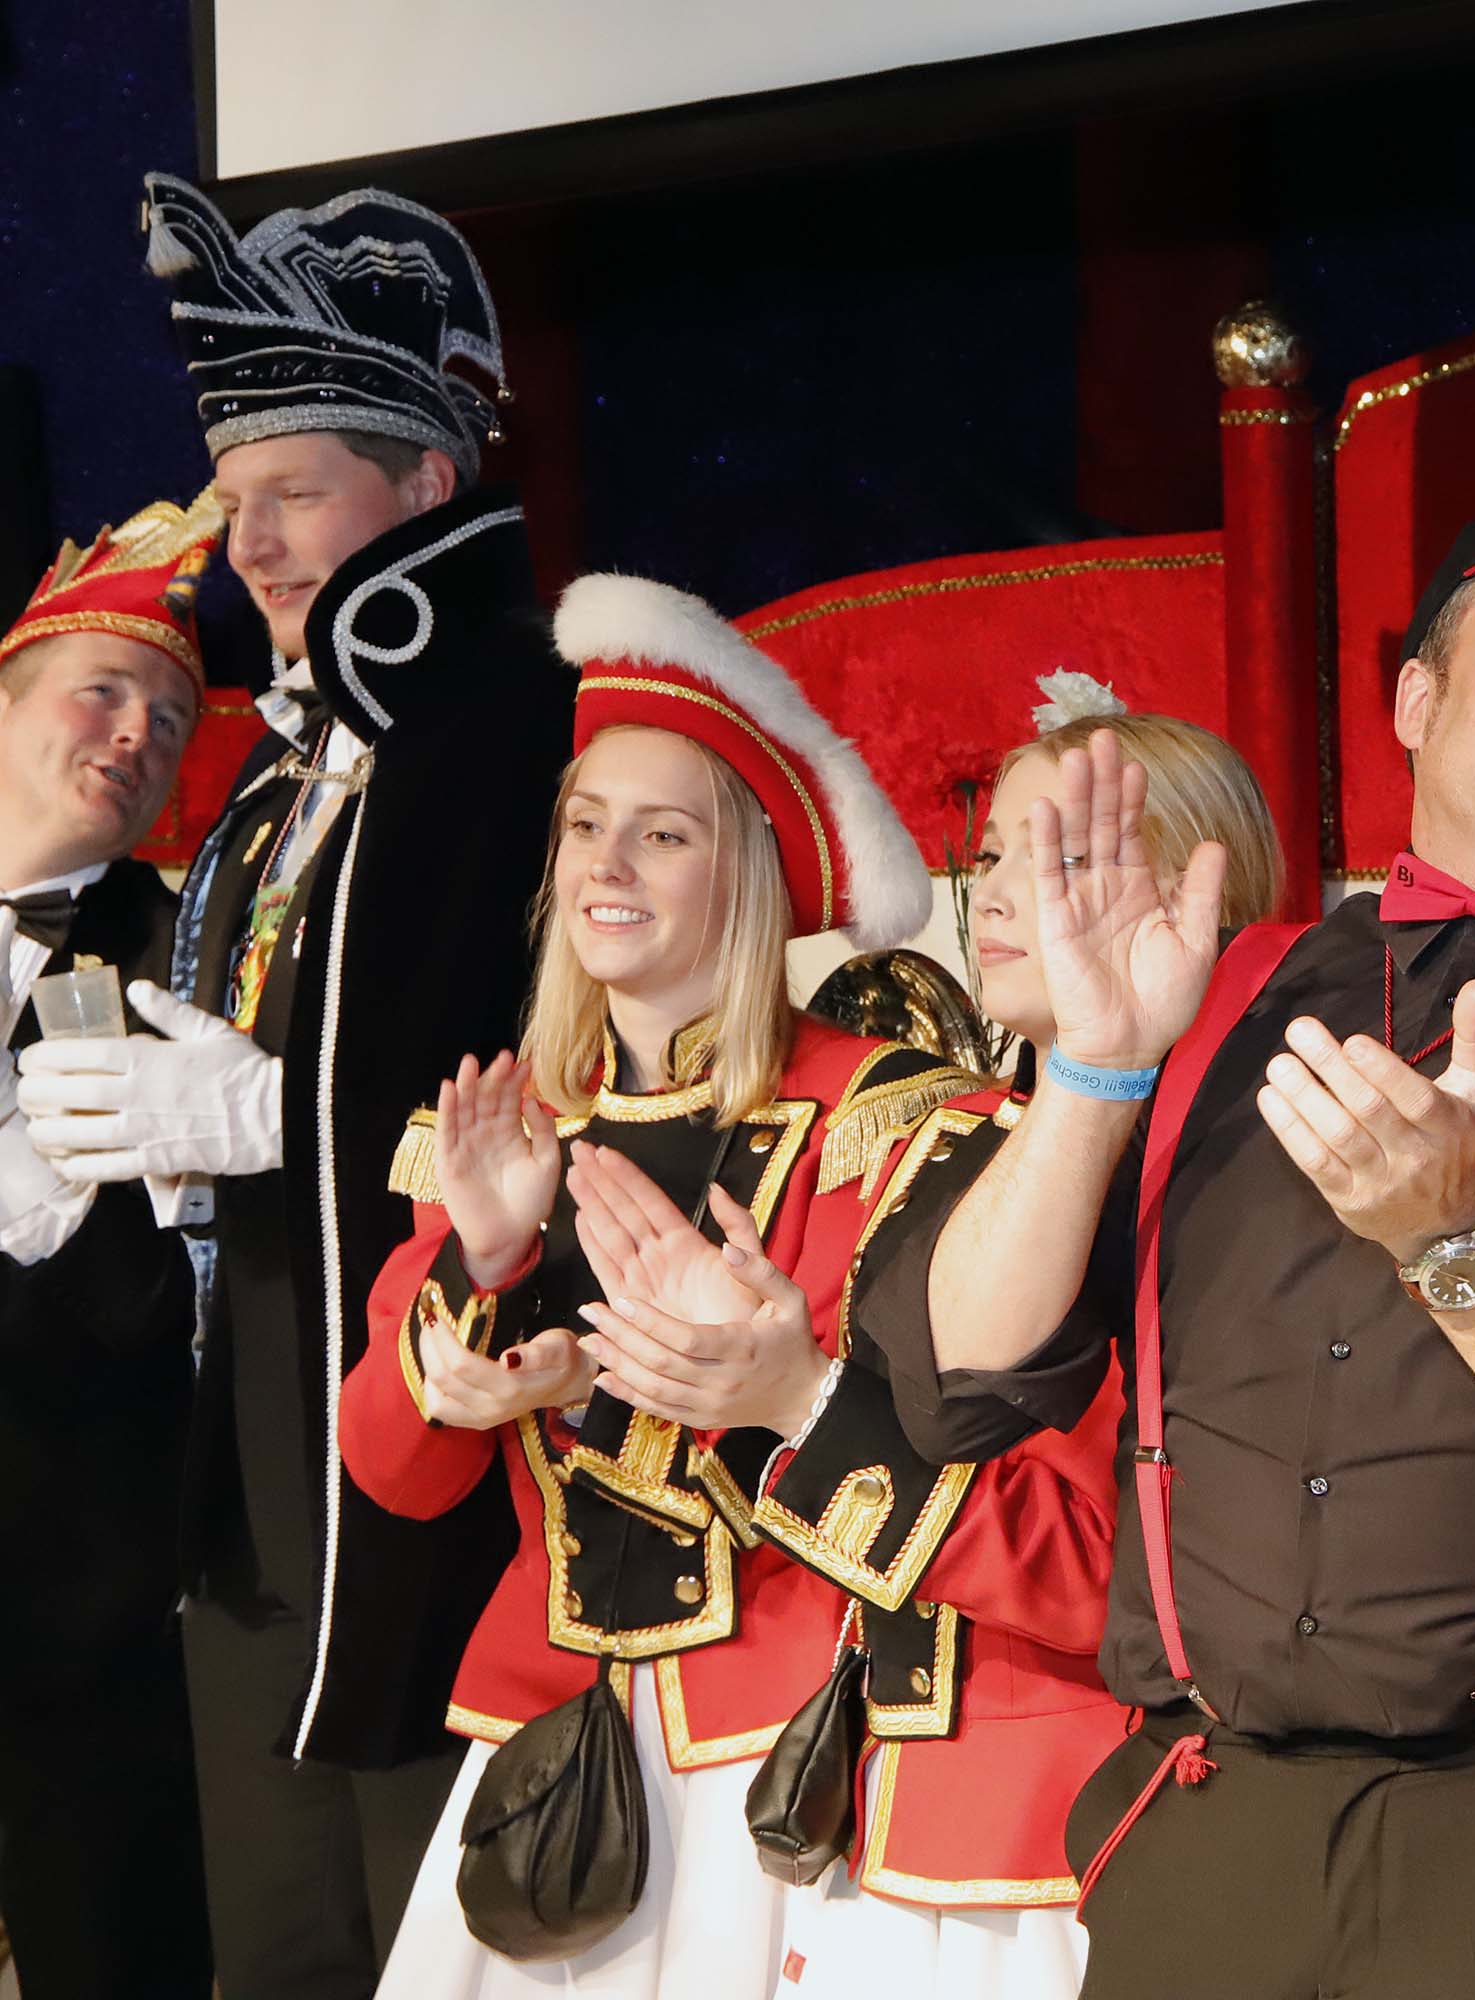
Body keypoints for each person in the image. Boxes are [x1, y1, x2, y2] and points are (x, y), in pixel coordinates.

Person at [847, 499, 1475, 1998]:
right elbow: (958, 1384)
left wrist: (1460, 1243)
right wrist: (1093, 1072)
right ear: (1415, 701)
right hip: (1202, 1844)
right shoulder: (1211, 995)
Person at [23, 173, 572, 1996]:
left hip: (427, 1461)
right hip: (255, 1465)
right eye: (232, 498)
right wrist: (170, 1162)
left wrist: (266, 1122)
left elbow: (547, 1070)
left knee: (426, 1939)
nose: (246, 546)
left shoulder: (504, 718)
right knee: (275, 1952)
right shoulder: (280, 775)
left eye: (294, 495)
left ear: (427, 486)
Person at [336, 573, 973, 1995]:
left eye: (663, 833)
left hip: (791, 1751)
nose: (606, 865)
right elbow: (390, 1475)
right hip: (552, 1751)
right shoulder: (502, 1123)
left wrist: (692, 1387)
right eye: (584, 824)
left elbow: (933, 1457)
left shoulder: (881, 1116)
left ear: (746, 872)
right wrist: (482, 1273)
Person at [741, 681, 1282, 1999]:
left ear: (1192, 901)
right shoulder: (938, 1138)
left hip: (1066, 1826)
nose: (995, 893)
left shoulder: (1222, 1182)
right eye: (992, 855)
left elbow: (1111, 1577)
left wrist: (802, 1410)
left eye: (1060, 859)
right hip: (885, 1808)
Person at [0, 492, 218, 1996]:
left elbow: (148, 1297)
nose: (139, 734)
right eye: (104, 692)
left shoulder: (176, 957)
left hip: (72, 1598)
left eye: (171, 719)